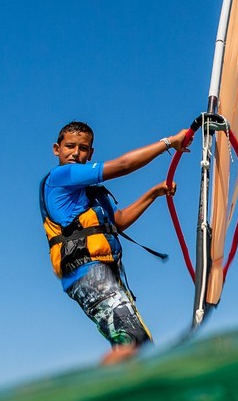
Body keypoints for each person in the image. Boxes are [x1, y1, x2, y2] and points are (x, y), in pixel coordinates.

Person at [40, 121, 189, 364]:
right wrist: (170, 142)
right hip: (87, 273)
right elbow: (123, 166)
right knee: (134, 341)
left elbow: (117, 222)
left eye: (83, 148)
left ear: (91, 153)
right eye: (69, 146)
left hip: (103, 273)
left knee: (136, 344)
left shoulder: (90, 193)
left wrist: (153, 194)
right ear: (57, 149)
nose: (76, 153)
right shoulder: (61, 177)